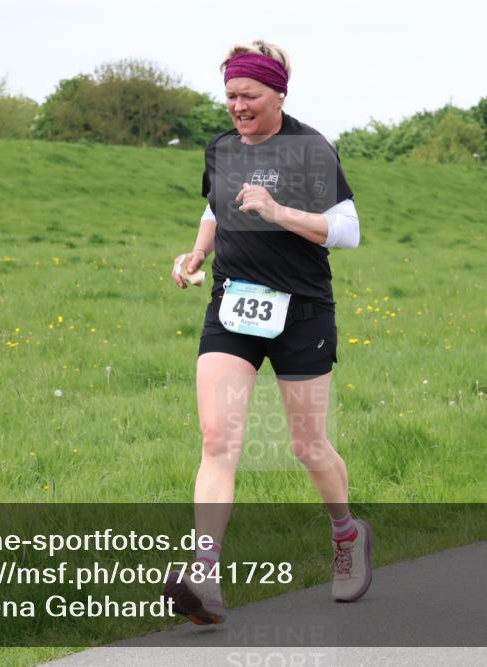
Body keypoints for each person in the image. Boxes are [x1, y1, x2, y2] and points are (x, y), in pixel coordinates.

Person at [164, 39, 371, 625]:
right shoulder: (222, 149)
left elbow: (347, 231)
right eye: (229, 95)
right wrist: (198, 253)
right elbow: (214, 207)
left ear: (278, 92)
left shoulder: (310, 149)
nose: (237, 106)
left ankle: (347, 536)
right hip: (233, 307)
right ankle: (205, 577)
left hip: (301, 310)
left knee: (308, 446)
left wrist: (280, 212)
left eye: (249, 95)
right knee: (216, 439)